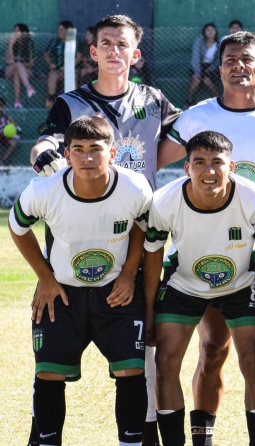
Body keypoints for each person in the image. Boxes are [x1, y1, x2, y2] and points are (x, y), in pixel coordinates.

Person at [29, 14, 183, 446]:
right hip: (76, 248)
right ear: (93, 53)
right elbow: (46, 141)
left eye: (123, 44)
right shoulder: (71, 102)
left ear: (136, 55)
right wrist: (45, 156)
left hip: (137, 243)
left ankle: (141, 435)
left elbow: (187, 137)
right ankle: (41, 436)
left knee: (142, 355)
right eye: (106, 43)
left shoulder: (153, 100)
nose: (115, 50)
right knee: (53, 365)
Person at [157, 30, 255, 446]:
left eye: (247, 60)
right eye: (230, 60)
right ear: (218, 68)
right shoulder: (197, 116)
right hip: (207, 251)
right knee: (213, 351)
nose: (238, 66)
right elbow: (150, 159)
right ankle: (201, 436)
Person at [9, 115, 153, 446]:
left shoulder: (134, 187)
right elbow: (18, 227)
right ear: (68, 154)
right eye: (79, 150)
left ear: (112, 153)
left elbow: (143, 227)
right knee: (48, 373)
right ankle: (47, 441)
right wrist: (45, 277)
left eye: (95, 149)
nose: (87, 158)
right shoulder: (46, 189)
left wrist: (130, 273)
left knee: (132, 371)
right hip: (62, 293)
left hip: (116, 292)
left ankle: (130, 442)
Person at [144, 131, 255, 446]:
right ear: (186, 167)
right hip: (184, 283)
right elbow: (153, 257)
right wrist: (148, 311)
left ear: (232, 166)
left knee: (252, 360)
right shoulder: (164, 201)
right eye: (199, 162)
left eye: (217, 162)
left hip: (241, 283)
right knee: (165, 362)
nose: (209, 171)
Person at [187, 23, 221, 106]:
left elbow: (219, 60)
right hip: (197, 66)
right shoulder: (200, 41)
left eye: (212, 29)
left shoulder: (218, 43)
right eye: (208, 30)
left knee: (207, 80)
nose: (210, 31)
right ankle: (189, 100)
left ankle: (219, 100)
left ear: (215, 31)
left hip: (210, 67)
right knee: (196, 80)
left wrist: (211, 69)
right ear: (204, 32)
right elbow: (196, 56)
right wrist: (197, 72)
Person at [4, 23, 36, 108]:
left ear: (23, 32)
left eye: (17, 31)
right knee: (17, 65)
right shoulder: (11, 43)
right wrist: (10, 45)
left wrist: (21, 66)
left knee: (17, 73)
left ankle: (17, 101)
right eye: (14, 31)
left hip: (26, 70)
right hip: (10, 69)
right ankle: (28, 87)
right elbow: (9, 61)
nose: (15, 33)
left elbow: (32, 63)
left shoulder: (29, 43)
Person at [43, 21, 74, 96]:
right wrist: (50, 64)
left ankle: (71, 102)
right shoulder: (55, 41)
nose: (59, 32)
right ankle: (52, 100)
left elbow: (79, 56)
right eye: (58, 30)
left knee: (73, 77)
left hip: (71, 70)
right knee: (52, 76)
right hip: (56, 69)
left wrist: (67, 67)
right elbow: (46, 54)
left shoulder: (74, 42)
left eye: (62, 30)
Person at [0, 97, 19, 164]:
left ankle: (3, 160)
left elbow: (15, 124)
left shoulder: (5, 116)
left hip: (3, 135)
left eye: (1, 106)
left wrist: (13, 124)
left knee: (14, 143)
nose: (0, 108)